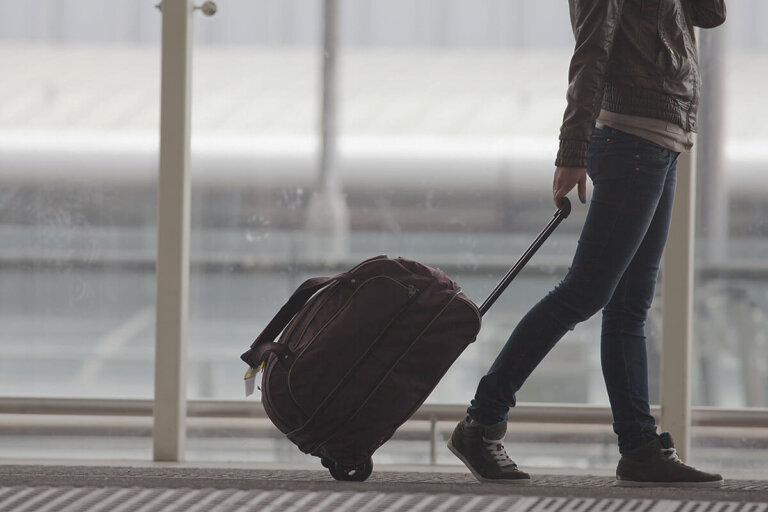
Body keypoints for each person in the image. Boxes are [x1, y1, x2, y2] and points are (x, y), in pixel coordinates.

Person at [448, 0, 727, 486]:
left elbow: (710, 13)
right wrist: (572, 150)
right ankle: (480, 421)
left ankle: (639, 447)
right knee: (584, 293)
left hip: (662, 140)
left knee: (628, 307)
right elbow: (591, 50)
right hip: (629, 139)